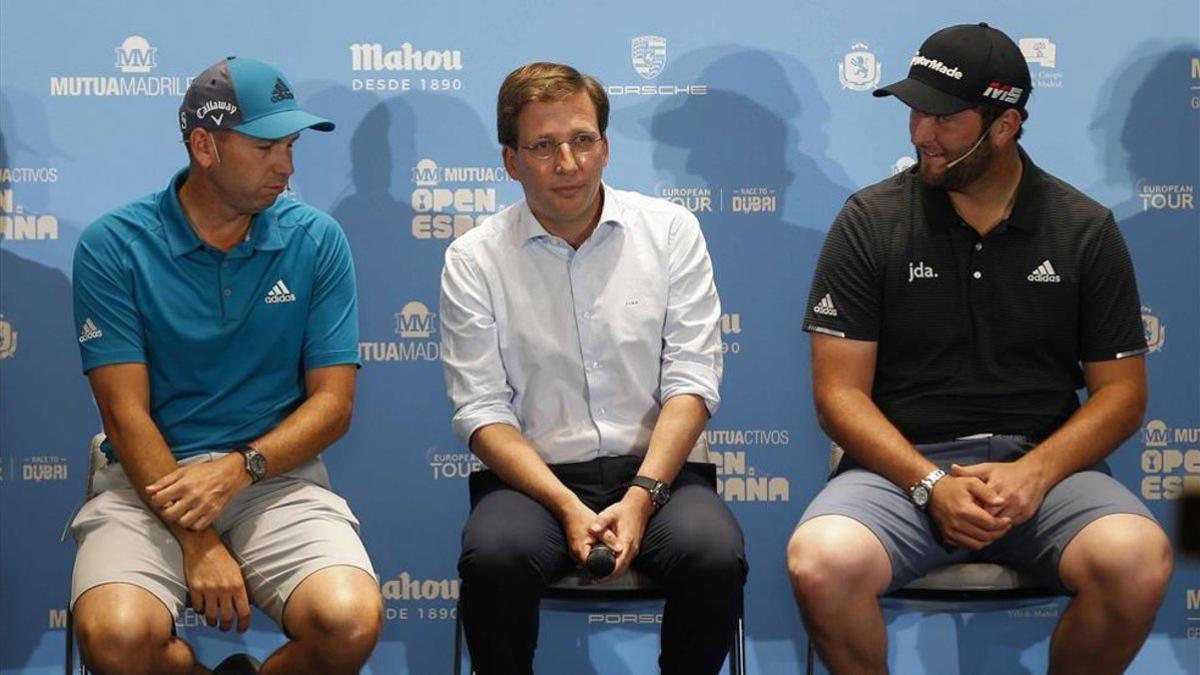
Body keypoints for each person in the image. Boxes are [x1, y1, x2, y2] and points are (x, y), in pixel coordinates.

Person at [786, 23, 1172, 674]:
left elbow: (1123, 394)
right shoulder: (870, 220)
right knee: (820, 560)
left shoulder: (1082, 228)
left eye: (944, 117)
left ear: (1005, 123)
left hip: (1044, 473)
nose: (920, 133)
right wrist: (930, 483)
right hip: (899, 473)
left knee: (1138, 558)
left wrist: (1035, 474)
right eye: (915, 111)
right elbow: (838, 394)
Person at [69, 56, 381, 675]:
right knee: (115, 637)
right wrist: (197, 539)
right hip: (144, 484)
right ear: (204, 146)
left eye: (290, 146)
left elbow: (333, 405)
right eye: (267, 147)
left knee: (348, 621)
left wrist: (239, 471)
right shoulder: (113, 244)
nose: (287, 168)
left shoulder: (316, 239)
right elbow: (123, 412)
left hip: (273, 479)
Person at [440, 62, 747, 675]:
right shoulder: (473, 259)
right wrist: (564, 505)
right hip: (534, 482)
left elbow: (692, 380)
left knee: (713, 554)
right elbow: (480, 411)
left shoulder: (670, 232)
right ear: (510, 161)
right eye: (543, 146)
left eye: (583, 140)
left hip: (660, 477)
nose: (568, 163)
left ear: (606, 147)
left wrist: (640, 497)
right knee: (494, 557)